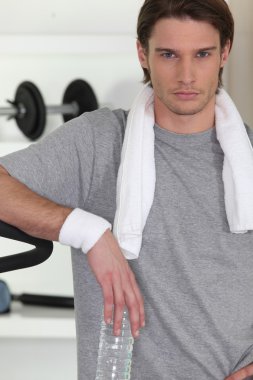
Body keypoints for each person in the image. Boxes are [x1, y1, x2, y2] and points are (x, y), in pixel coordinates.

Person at [0, 0, 253, 378]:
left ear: (224, 52)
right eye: (168, 54)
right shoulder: (100, 142)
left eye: (202, 54)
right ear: (142, 53)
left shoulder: (248, 155)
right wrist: (89, 231)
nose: (186, 74)